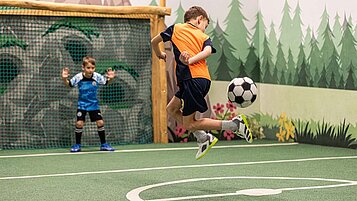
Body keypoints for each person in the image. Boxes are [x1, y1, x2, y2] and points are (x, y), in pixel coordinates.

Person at [151, 6, 253, 160]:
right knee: (171, 109)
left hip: (194, 80)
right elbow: (207, 51)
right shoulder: (203, 37)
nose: (204, 30)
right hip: (193, 81)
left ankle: (233, 125)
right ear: (199, 19)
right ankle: (203, 138)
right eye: (205, 25)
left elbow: (154, 42)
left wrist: (161, 54)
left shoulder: (175, 29)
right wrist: (189, 59)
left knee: (190, 124)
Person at [61, 56, 116, 152]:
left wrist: (111, 78)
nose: (90, 70)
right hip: (82, 105)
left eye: (92, 68)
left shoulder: (97, 76)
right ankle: (77, 145)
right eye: (88, 68)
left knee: (100, 122)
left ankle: (103, 144)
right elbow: (69, 84)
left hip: (93, 105)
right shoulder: (78, 77)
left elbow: (106, 82)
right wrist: (64, 79)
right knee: (79, 123)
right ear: (83, 67)